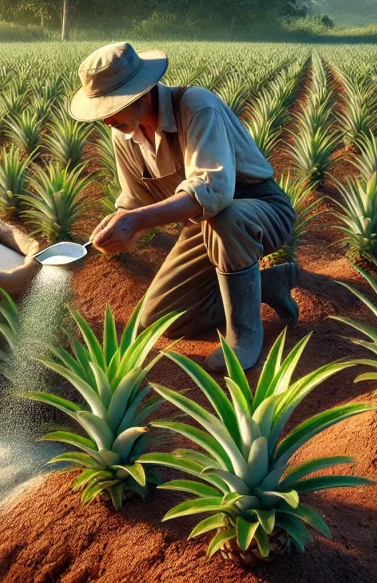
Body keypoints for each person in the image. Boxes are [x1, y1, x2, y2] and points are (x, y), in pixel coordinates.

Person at [69, 42, 298, 371]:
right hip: (203, 225)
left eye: (111, 107)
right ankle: (266, 286)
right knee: (161, 317)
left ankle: (245, 333)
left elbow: (214, 193)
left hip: (259, 211)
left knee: (227, 218)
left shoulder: (197, 107)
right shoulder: (125, 133)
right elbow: (136, 200)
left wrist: (136, 221)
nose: (106, 120)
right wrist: (115, 225)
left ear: (141, 93)